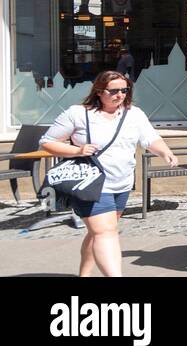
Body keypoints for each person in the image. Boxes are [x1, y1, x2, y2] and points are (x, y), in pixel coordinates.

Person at [40, 70, 178, 278]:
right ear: (98, 91)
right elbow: (47, 142)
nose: (120, 95)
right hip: (91, 183)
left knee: (99, 232)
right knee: (106, 232)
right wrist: (77, 150)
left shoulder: (134, 114)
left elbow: (150, 139)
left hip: (121, 183)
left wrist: (165, 151)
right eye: (114, 91)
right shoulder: (78, 113)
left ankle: (84, 275)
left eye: (124, 90)